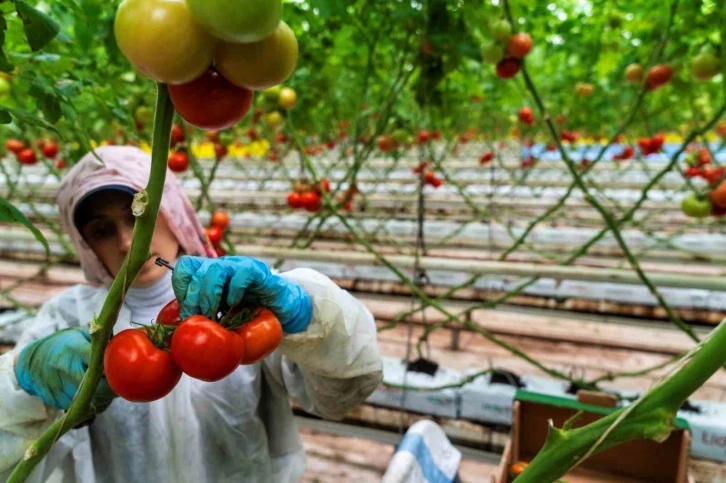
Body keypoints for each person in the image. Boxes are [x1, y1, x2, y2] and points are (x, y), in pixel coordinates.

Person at [0, 146, 383, 482]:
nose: (127, 241)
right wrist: (24, 380)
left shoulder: (241, 301)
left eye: (137, 216)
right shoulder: (67, 317)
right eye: (102, 230)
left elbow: (346, 389)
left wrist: (306, 315)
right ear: (87, 246)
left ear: (172, 211)